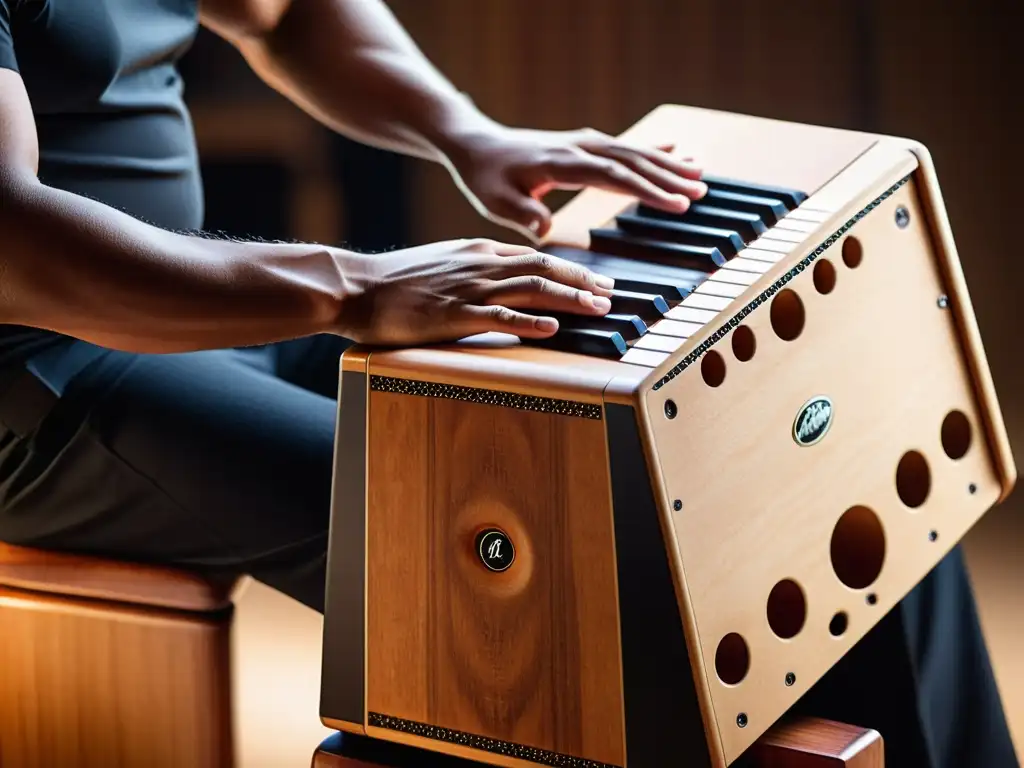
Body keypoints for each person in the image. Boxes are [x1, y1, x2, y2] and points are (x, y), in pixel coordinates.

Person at [0, 2, 1016, 767]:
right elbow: (15, 251)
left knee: (832, 493)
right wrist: (357, 287)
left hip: (223, 314)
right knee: (522, 564)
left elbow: (294, 13)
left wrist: (467, 131)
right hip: (44, 379)